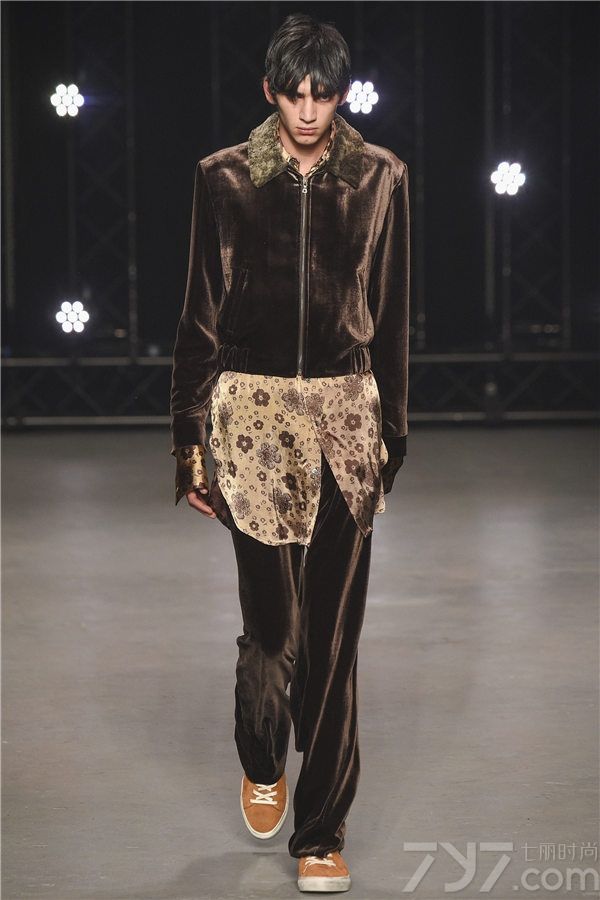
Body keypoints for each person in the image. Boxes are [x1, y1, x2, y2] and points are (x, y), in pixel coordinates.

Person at [170, 12, 410, 893]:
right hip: (252, 422)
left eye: (324, 95)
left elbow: (394, 311)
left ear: (341, 94)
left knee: (335, 641)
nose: (309, 112)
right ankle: (262, 753)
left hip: (346, 419)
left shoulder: (380, 177)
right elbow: (198, 313)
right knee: (275, 633)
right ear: (269, 91)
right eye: (295, 94)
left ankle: (320, 833)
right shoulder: (224, 178)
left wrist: (391, 436)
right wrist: (189, 443)